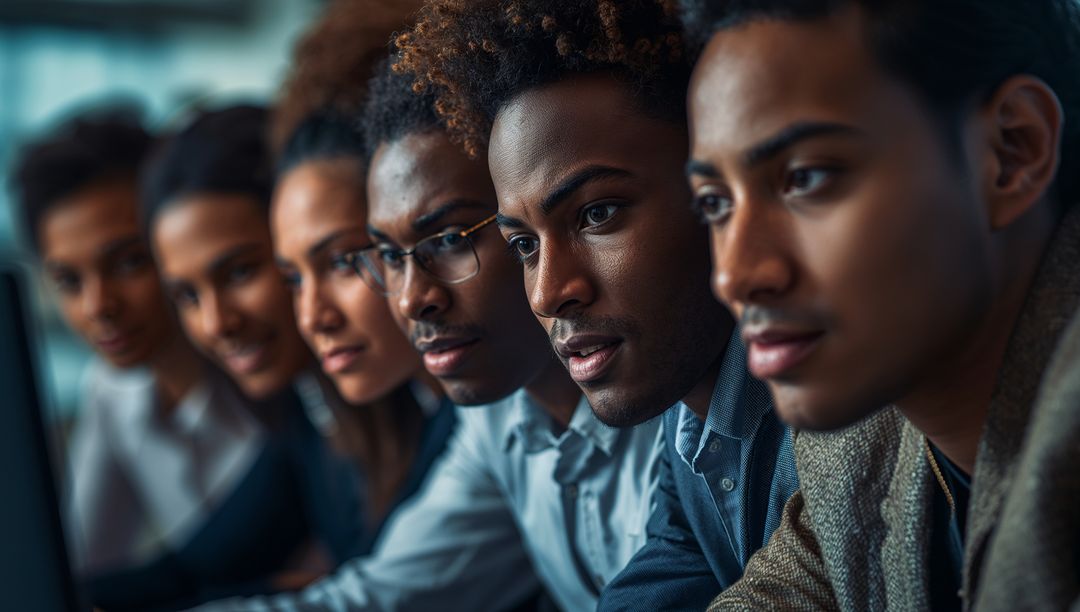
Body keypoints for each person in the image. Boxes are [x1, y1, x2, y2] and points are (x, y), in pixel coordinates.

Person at [193, 57, 664, 612]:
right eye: (389, 256)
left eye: (447, 239)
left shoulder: (674, 403)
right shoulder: (496, 420)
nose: (415, 298)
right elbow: (380, 599)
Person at [675, 1, 1080, 609]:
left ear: (1013, 151)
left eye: (807, 177)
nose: (734, 274)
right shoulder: (854, 448)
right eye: (715, 204)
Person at [396, 1, 798, 608]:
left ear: (711, 191)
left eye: (597, 214)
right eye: (524, 245)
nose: (548, 292)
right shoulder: (686, 426)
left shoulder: (821, 407)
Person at [10, 108, 309, 611]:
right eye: (68, 281)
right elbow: (85, 565)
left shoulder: (285, 376)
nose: (97, 306)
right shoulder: (111, 391)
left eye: (129, 262)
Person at [272, 109, 456, 558]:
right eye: (294, 280)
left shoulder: (484, 413)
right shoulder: (391, 417)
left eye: (341, 262)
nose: (312, 317)